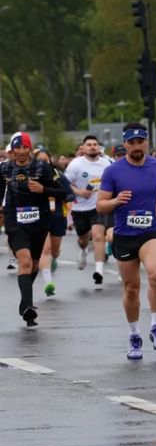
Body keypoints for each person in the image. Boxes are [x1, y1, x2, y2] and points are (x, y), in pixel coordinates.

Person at [97, 123, 156, 361]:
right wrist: (117, 201)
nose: (136, 146)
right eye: (132, 142)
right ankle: (134, 334)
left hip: (152, 231)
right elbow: (101, 204)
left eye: (141, 142)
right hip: (125, 234)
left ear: (147, 142)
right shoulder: (113, 171)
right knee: (131, 288)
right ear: (125, 144)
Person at [0, 133, 69, 327]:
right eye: (17, 148)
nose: (21, 152)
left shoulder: (43, 168)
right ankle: (29, 308)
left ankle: (24, 300)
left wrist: (44, 190)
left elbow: (65, 193)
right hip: (15, 221)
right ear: (12, 151)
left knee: (36, 264)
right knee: (25, 260)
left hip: (39, 222)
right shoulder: (4, 168)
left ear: (30, 149)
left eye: (25, 148)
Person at [65, 134, 113, 288]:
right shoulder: (76, 164)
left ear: (99, 147)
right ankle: (83, 249)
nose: (92, 146)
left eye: (95, 144)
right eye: (89, 144)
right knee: (83, 239)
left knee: (99, 236)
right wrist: (79, 192)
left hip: (98, 207)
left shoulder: (106, 163)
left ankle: (99, 271)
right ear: (83, 148)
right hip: (80, 209)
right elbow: (65, 183)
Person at [35, 148, 73, 298]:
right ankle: (48, 283)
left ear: (50, 161)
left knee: (54, 251)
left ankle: (54, 259)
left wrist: (63, 197)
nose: (43, 162)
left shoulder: (58, 176)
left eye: (45, 160)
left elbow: (70, 193)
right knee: (46, 250)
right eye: (40, 160)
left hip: (57, 216)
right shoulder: (31, 177)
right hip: (40, 217)